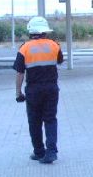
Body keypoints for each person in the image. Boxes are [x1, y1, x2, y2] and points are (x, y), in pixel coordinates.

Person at [13, 16, 63, 164]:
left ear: (31, 31)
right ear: (45, 31)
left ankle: (39, 152)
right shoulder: (54, 45)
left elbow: (20, 73)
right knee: (50, 119)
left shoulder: (25, 48)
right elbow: (59, 61)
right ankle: (52, 151)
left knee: (34, 121)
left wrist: (18, 92)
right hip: (51, 88)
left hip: (33, 90)